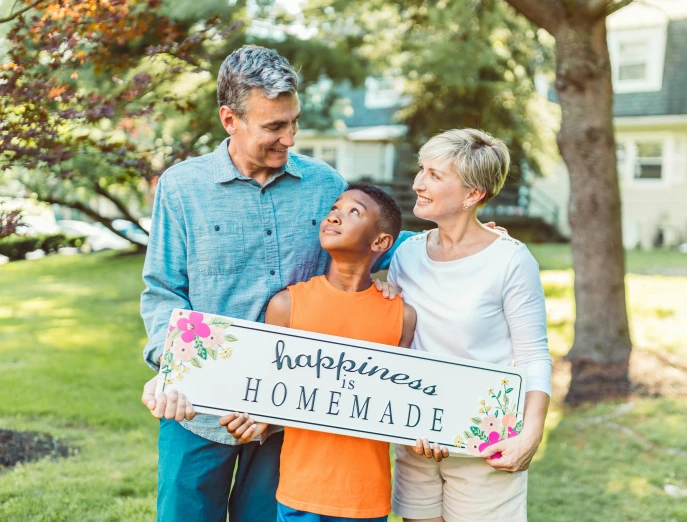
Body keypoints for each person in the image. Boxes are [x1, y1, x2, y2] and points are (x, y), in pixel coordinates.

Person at [138, 45, 403, 522]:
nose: (290, 138)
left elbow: (372, 240)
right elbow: (162, 290)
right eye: (274, 127)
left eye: (293, 122)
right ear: (229, 119)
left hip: (288, 415)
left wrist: (462, 239)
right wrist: (171, 366)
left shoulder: (324, 184)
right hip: (199, 410)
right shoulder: (182, 188)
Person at [220, 183, 416, 522]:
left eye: (354, 211)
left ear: (380, 243)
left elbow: (401, 403)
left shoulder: (401, 316)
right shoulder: (286, 305)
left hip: (366, 496)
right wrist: (256, 420)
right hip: (300, 492)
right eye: (335, 208)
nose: (336, 216)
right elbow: (269, 390)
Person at [386, 129, 552, 522]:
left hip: (486, 446)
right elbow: (393, 336)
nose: (418, 183)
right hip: (417, 439)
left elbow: (533, 355)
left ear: (472, 194)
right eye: (421, 170)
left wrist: (531, 434)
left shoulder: (511, 260)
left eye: (434, 175)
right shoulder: (406, 254)